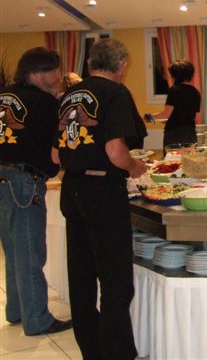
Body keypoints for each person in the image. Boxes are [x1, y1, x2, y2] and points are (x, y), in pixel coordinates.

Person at [52, 38, 147, 360]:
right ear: (121, 66)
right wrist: (134, 167)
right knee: (115, 281)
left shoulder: (68, 96)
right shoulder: (115, 93)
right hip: (103, 191)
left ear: (91, 63)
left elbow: (55, 154)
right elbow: (115, 151)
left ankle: (91, 351)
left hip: (73, 189)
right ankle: (117, 353)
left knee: (81, 279)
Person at [0, 47, 73, 335]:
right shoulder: (43, 102)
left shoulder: (5, 94)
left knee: (13, 248)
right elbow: (57, 148)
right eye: (54, 71)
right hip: (23, 179)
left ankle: (17, 310)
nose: (57, 77)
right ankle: (37, 320)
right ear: (37, 73)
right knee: (30, 251)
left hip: (3, 176)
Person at [144, 59, 201, 151]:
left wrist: (148, 117)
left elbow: (166, 114)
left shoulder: (174, 90)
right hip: (190, 133)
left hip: (174, 134)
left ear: (176, 76)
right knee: (189, 159)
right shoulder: (196, 92)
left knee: (172, 159)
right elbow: (192, 116)